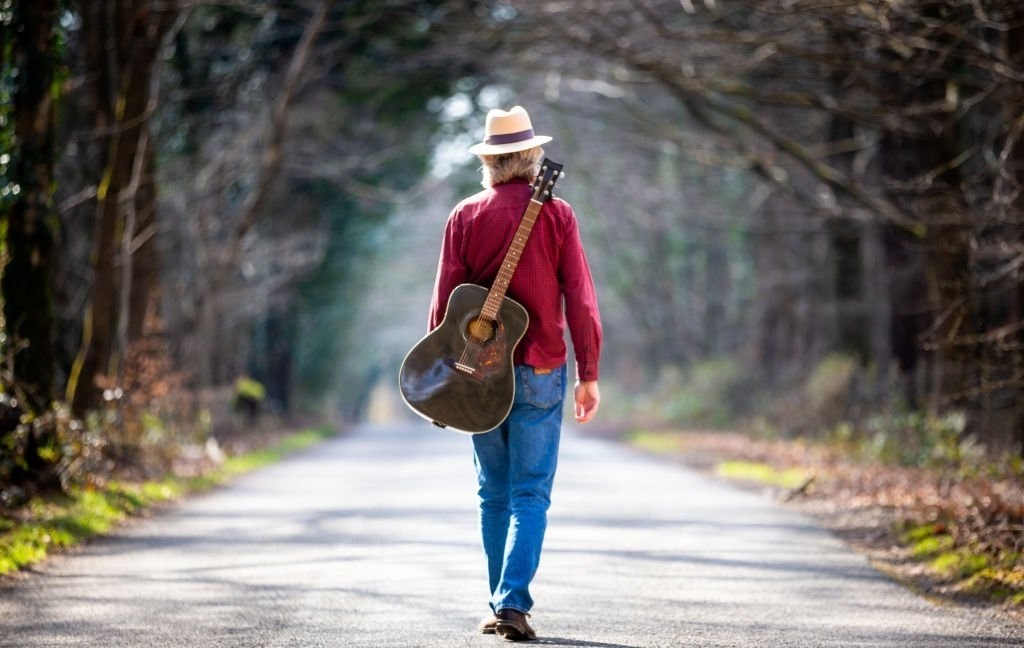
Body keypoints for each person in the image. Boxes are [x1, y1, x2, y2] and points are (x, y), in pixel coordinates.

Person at [427, 105, 603, 641]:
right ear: (531, 158)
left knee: (493, 494)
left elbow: (444, 309)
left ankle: (498, 601)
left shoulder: (465, 215)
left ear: (490, 162)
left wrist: (442, 377)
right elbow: (581, 297)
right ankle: (512, 604)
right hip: (542, 368)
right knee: (530, 494)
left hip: (478, 374)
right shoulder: (558, 215)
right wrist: (589, 371)